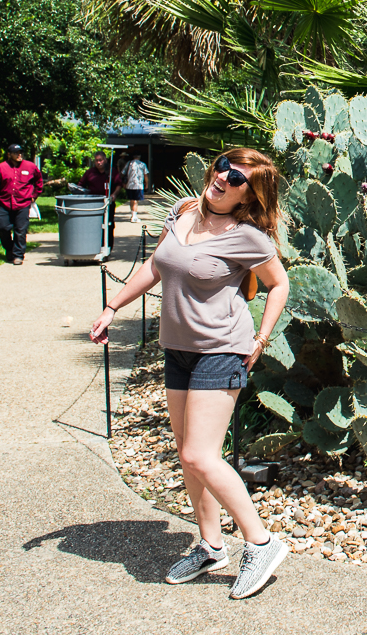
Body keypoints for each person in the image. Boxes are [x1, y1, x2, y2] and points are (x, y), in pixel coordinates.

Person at [89, 147, 291, 599]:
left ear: (248, 195)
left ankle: (262, 543)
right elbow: (155, 267)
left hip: (222, 350)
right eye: (222, 167)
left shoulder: (248, 237)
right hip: (178, 349)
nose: (222, 178)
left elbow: (280, 284)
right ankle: (210, 545)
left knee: (202, 454)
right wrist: (111, 307)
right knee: (187, 452)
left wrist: (260, 339)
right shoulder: (183, 212)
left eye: (236, 178)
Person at [0, 144, 42, 265]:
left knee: (20, 230)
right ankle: (10, 249)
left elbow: (39, 181)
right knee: (2, 227)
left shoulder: (30, 166)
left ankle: (18, 255)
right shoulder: (1, 168)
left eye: (21, 152)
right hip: (5, 203)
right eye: (16, 153)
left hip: (23, 204)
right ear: (9, 154)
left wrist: (34, 195)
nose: (19, 155)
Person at [79, 150, 122, 246]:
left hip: (107, 202)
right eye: (97, 160)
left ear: (105, 160)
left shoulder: (112, 172)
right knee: (93, 225)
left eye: (101, 160)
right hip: (93, 203)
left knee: (108, 224)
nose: (99, 162)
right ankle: (94, 245)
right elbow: (81, 185)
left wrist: (114, 194)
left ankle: (107, 245)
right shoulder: (90, 172)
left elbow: (119, 184)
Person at [121, 151, 150, 223]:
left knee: (131, 200)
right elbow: (146, 175)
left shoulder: (128, 164)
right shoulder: (142, 164)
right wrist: (147, 184)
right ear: (139, 157)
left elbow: (122, 173)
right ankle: (134, 216)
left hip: (129, 185)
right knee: (136, 201)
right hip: (138, 185)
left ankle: (132, 214)